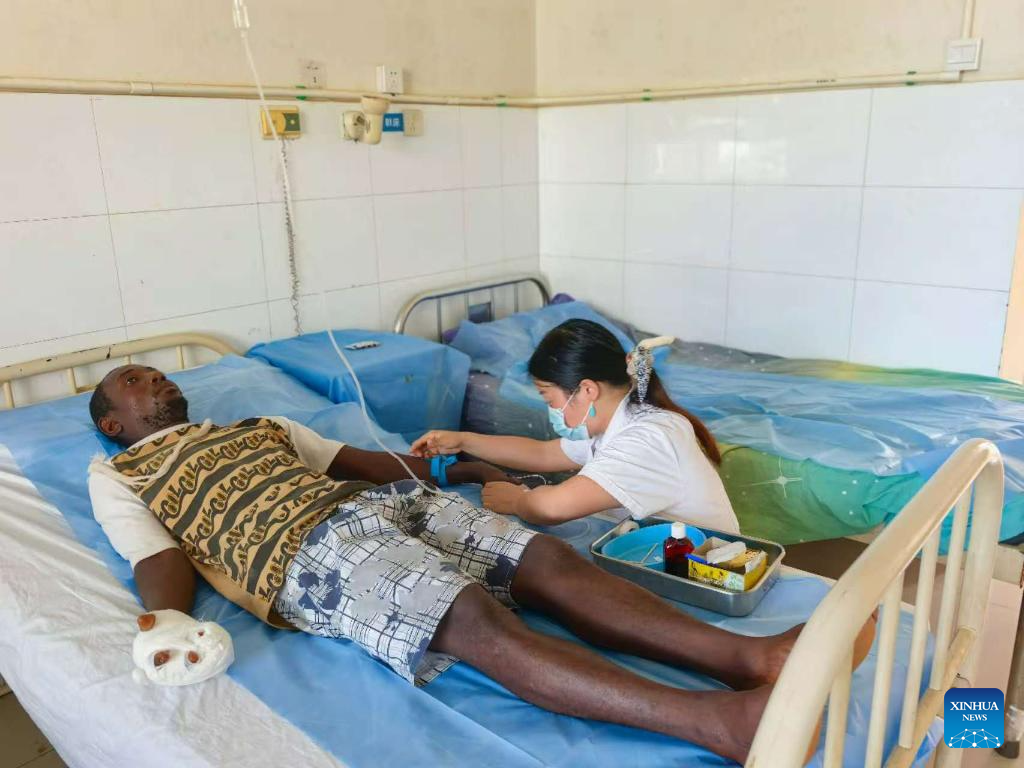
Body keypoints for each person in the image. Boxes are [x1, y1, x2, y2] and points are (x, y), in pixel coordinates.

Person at [86, 364, 871, 764]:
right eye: (132, 383)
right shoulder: (117, 474)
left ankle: (752, 656)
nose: (154, 378)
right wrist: (171, 618)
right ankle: (721, 725)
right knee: (471, 617)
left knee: (549, 563)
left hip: (370, 505)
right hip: (307, 552)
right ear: (114, 423)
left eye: (156, 371)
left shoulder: (262, 423)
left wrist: (457, 467)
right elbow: (156, 555)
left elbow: (368, 462)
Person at [412, 319, 739, 531]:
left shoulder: (647, 438)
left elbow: (553, 506)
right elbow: (543, 454)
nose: (551, 411)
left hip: (704, 570)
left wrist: (518, 501)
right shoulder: (616, 421)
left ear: (586, 390)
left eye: (549, 399)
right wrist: (465, 441)